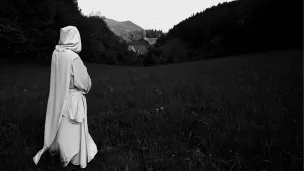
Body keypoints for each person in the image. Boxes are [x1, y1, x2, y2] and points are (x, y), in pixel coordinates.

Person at [33, 26, 98, 169]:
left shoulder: (56, 53)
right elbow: (83, 82)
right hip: (73, 98)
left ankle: (59, 153)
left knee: (61, 125)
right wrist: (88, 85)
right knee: (72, 129)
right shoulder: (73, 58)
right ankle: (72, 157)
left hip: (59, 96)